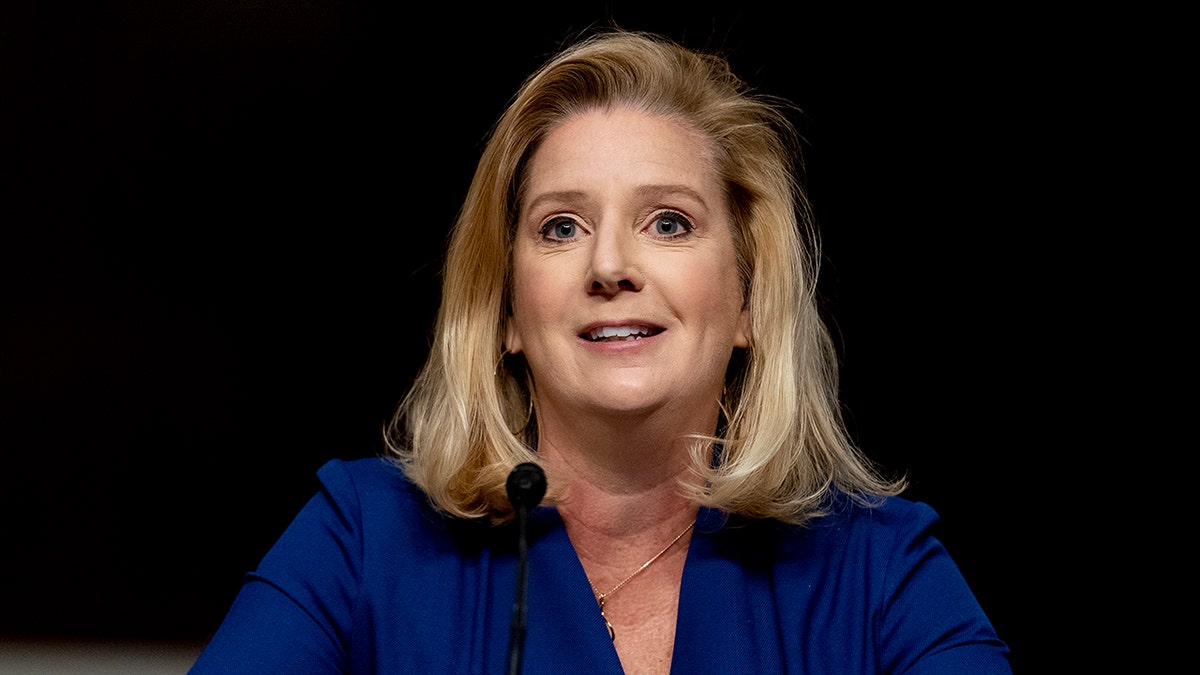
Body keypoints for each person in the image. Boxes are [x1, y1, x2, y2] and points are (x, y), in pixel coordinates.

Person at [190, 28, 1010, 674]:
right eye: (561, 227)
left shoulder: (879, 568)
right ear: (508, 311)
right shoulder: (363, 539)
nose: (611, 266)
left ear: (749, 302)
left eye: (668, 222)